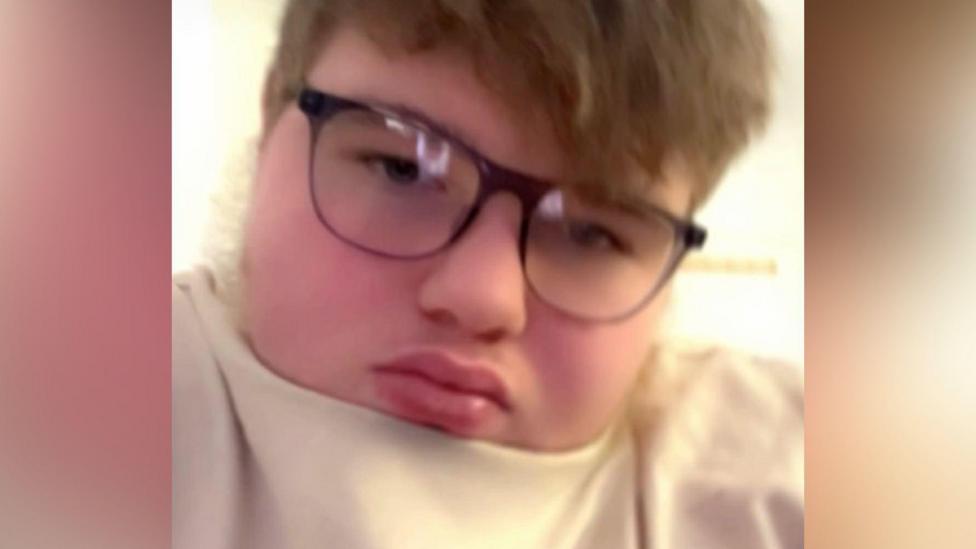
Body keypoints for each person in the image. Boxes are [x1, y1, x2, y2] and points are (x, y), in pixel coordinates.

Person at [173, 1, 803, 547]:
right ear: (270, 121)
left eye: (591, 234)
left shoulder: (778, 477)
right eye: (402, 169)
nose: (482, 297)